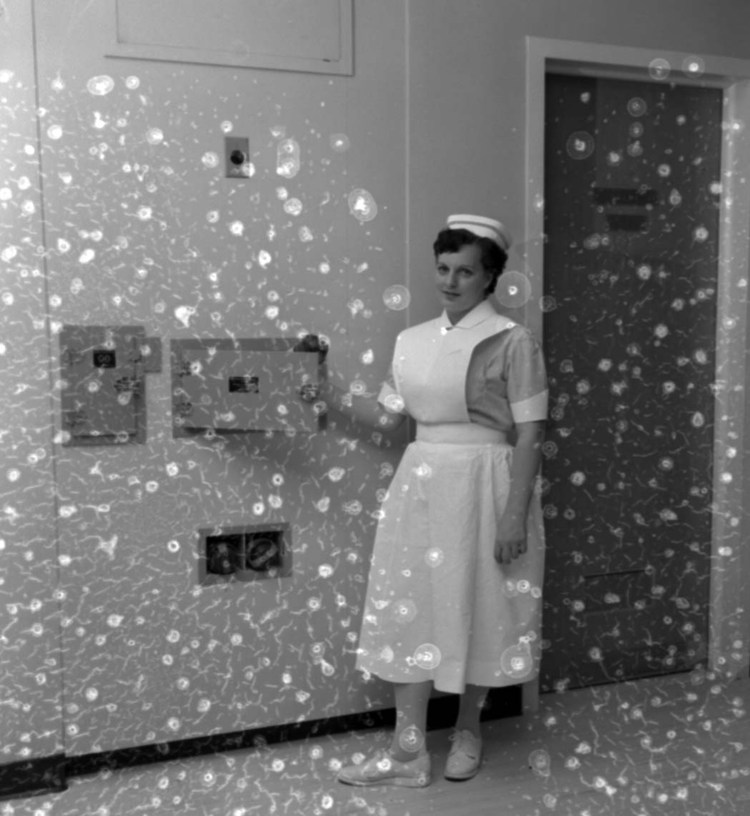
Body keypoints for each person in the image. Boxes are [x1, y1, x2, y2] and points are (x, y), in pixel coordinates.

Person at [299, 214, 547, 787]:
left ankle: (468, 729)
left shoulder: (513, 340)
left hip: (487, 481)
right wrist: (329, 392)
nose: (450, 281)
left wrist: (514, 514)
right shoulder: (411, 341)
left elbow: (531, 433)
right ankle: (408, 752)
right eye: (443, 268)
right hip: (423, 480)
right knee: (408, 604)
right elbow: (391, 419)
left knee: (483, 602)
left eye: (466, 271)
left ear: (490, 278)